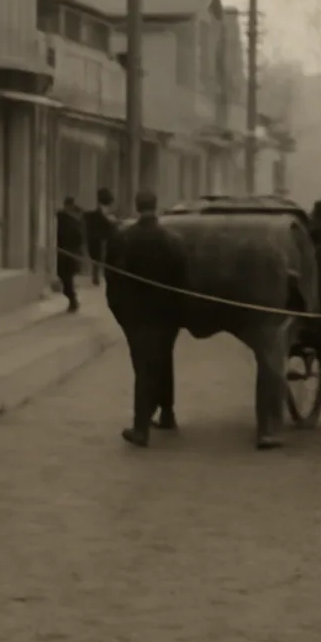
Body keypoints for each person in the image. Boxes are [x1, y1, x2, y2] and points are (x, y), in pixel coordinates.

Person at [105, 190, 189, 448]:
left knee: (143, 368)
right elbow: (182, 280)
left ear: (136, 206)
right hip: (167, 315)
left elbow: (112, 280)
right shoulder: (173, 240)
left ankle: (141, 428)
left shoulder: (123, 238)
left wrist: (121, 314)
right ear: (156, 206)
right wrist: (177, 312)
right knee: (163, 359)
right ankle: (167, 413)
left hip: (137, 316)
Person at [83, 187, 118, 285]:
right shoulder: (101, 213)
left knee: (97, 259)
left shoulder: (93, 213)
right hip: (100, 239)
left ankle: (96, 276)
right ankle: (97, 276)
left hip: (97, 238)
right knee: (99, 258)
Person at [55, 197, 84, 312]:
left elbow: (79, 238)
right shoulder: (63, 218)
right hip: (63, 253)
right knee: (64, 277)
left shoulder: (73, 221)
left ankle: (73, 300)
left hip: (69, 254)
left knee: (67, 278)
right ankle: (72, 299)